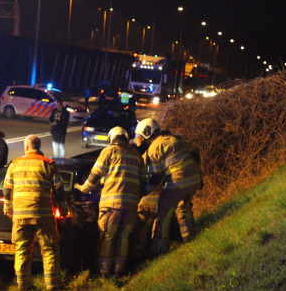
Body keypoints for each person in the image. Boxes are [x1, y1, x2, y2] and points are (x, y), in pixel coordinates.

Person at [3, 135, 68, 291]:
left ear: (26, 147)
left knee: (21, 249)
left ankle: (24, 286)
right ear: (39, 147)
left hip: (20, 217)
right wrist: (63, 211)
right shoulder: (48, 164)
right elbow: (59, 190)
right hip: (43, 215)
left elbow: (6, 190)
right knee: (50, 249)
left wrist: (8, 209)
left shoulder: (14, 164)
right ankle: (53, 285)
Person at [75, 126, 141, 277]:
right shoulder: (136, 155)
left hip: (111, 205)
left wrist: (84, 189)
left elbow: (95, 175)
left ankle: (104, 273)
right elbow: (142, 179)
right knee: (123, 237)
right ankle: (119, 271)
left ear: (112, 138)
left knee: (107, 236)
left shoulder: (108, 151)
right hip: (131, 206)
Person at [144, 124, 203, 256]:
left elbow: (155, 178)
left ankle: (159, 250)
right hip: (193, 180)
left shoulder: (154, 147)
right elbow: (195, 154)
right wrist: (199, 177)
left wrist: (141, 193)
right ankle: (189, 236)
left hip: (177, 183)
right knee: (183, 206)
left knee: (162, 215)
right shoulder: (177, 138)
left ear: (146, 133)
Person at [131, 118, 161, 261]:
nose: (135, 140)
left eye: (137, 137)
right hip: (161, 198)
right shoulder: (159, 148)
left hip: (148, 200)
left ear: (144, 136)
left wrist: (140, 193)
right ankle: (155, 255)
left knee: (140, 230)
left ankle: (138, 259)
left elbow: (150, 177)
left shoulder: (147, 153)